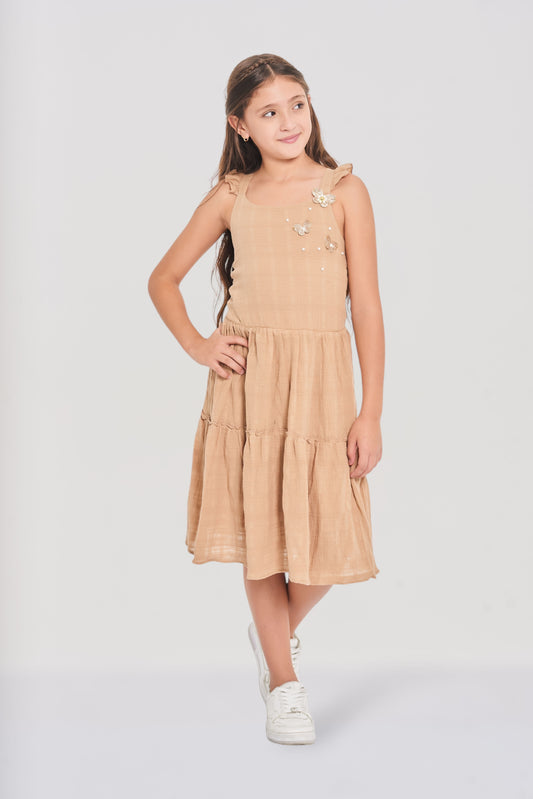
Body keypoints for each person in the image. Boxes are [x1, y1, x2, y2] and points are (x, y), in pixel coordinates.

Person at [147, 53, 385, 746]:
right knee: (264, 539)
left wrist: (371, 410)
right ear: (241, 125)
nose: (287, 121)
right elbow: (163, 278)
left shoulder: (344, 190)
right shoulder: (233, 195)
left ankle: (269, 633)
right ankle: (284, 683)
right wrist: (199, 344)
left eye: (296, 104)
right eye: (269, 111)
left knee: (331, 532)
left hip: (322, 387)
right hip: (248, 387)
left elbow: (367, 306)